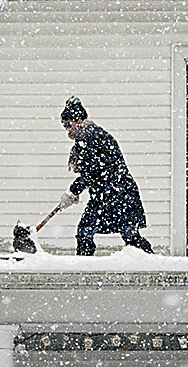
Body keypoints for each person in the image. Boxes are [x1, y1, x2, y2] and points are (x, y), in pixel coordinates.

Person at [61, 97, 152, 254]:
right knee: (130, 234)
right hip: (120, 192)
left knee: (85, 232)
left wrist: (72, 191)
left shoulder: (86, 138)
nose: (67, 129)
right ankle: (152, 264)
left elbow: (91, 172)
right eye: (64, 125)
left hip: (112, 194)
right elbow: (97, 170)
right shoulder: (96, 133)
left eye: (68, 124)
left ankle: (83, 268)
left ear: (79, 120)